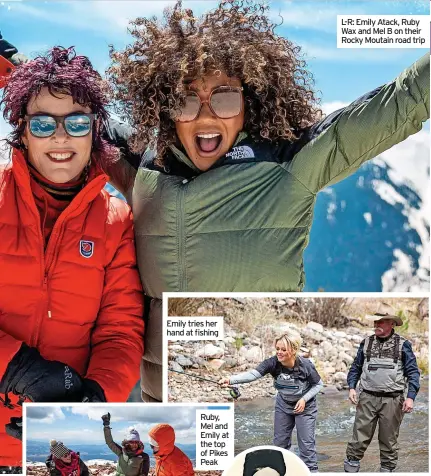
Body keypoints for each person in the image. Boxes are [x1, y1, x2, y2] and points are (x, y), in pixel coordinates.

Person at [4, 0, 429, 402]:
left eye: (224, 97)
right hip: (160, 405)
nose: (206, 116)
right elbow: (69, 120)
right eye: (186, 101)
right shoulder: (143, 166)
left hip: (237, 387)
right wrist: (15, 70)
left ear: (250, 102)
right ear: (167, 109)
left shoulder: (292, 162)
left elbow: (403, 101)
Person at [0, 46, 145, 468]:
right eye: (43, 123)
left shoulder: (115, 219)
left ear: (95, 130)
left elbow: (120, 331)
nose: (60, 137)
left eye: (76, 122)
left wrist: (95, 396)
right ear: (22, 130)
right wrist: (16, 368)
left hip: (52, 444)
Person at [219, 333, 323, 472]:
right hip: (283, 404)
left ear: (293, 350)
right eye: (277, 348)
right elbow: (253, 374)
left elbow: (318, 385)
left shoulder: (305, 365)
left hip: (305, 407)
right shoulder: (272, 363)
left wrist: (304, 399)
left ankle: (312, 472)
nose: (279, 352)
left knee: (306, 445)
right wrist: (230, 380)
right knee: (279, 444)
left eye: (283, 350)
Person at [344, 303, 421, 473]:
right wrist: (351, 387)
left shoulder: (403, 345)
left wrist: (410, 397)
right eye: (375, 322)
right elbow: (355, 368)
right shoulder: (366, 343)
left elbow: (413, 373)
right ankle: (350, 469)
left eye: (381, 322)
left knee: (388, 441)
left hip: (393, 400)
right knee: (358, 439)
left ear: (392, 324)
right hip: (367, 398)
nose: (376, 325)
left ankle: (386, 470)